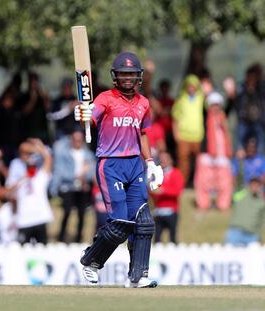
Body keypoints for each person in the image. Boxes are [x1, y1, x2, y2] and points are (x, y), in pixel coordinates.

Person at [74, 51, 163, 288]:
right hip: (110, 163)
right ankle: (91, 261)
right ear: (116, 76)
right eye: (123, 74)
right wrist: (83, 113)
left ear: (138, 77)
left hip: (135, 164)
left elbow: (143, 133)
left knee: (144, 222)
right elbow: (91, 118)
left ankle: (138, 276)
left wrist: (150, 162)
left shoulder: (144, 103)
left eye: (131, 74)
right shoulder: (105, 99)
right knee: (121, 223)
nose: (127, 78)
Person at [49, 130, 95, 243]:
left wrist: (85, 177)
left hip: (82, 188)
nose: (77, 142)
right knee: (67, 211)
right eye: (75, 140)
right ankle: (61, 238)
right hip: (68, 187)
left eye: (79, 140)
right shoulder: (64, 154)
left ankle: (79, 239)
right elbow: (60, 172)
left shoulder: (88, 154)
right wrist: (76, 176)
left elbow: (91, 171)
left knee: (82, 213)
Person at [7, 139, 54, 244]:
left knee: (42, 251)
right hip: (24, 220)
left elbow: (48, 159)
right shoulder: (19, 178)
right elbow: (8, 190)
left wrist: (39, 148)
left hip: (40, 219)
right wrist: (23, 179)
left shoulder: (40, 177)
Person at [195, 92, 233, 210]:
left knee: (224, 182)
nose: (215, 107)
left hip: (222, 154)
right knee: (204, 182)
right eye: (213, 104)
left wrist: (231, 96)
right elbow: (202, 108)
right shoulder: (205, 118)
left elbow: (230, 107)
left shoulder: (223, 117)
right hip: (207, 153)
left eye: (217, 105)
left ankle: (223, 204)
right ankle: (203, 203)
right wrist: (205, 93)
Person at [171, 74, 205, 185]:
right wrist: (176, 135)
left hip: (197, 136)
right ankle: (182, 184)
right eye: (189, 86)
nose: (191, 88)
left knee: (199, 163)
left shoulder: (201, 98)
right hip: (183, 136)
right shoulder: (181, 100)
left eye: (193, 86)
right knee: (183, 162)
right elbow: (175, 118)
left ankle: (199, 183)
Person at [150, 151, 184, 244]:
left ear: (170, 160)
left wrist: (163, 191)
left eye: (165, 159)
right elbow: (152, 190)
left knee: (172, 237)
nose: (163, 161)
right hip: (158, 211)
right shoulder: (157, 174)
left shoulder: (176, 173)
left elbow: (177, 191)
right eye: (161, 159)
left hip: (171, 210)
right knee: (157, 238)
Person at [225, 177, 265, 246]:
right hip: (236, 232)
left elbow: (261, 222)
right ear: (249, 185)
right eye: (253, 185)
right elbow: (237, 186)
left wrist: (259, 236)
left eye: (257, 186)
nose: (255, 187)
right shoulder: (241, 194)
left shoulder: (261, 202)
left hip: (252, 235)